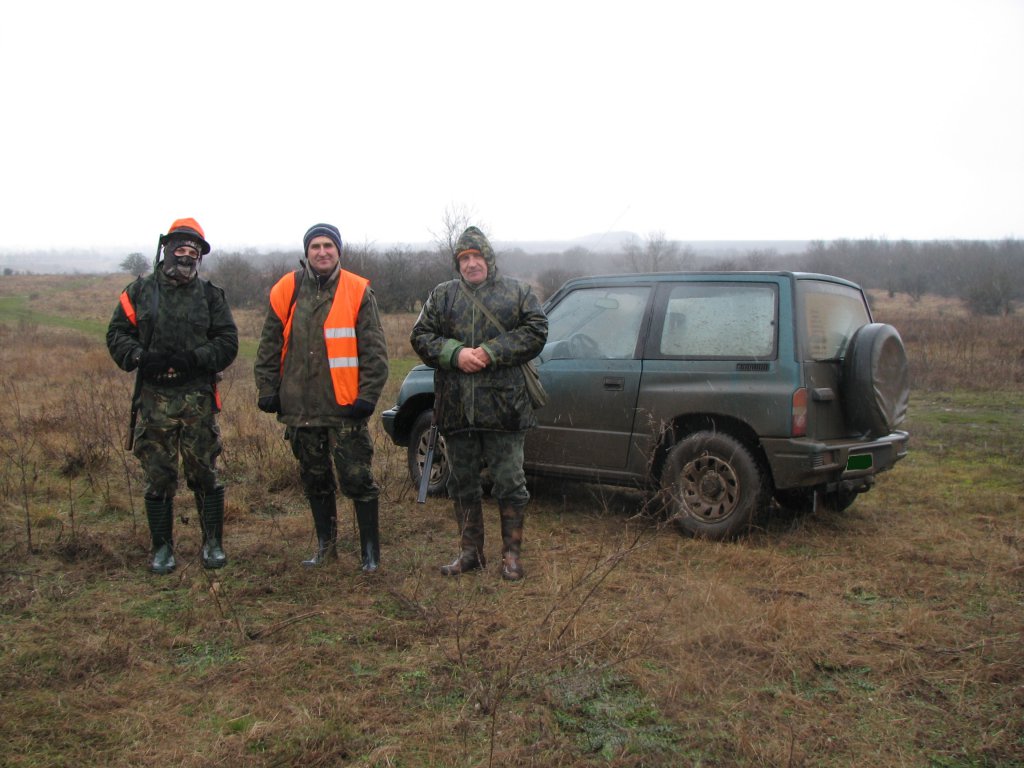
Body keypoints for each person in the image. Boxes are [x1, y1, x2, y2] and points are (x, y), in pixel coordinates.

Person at [410, 226, 548, 581]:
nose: (471, 264)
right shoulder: (443, 296)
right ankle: (470, 553)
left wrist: (490, 351)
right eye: (464, 259)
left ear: (488, 258)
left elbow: (536, 331)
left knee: (510, 483)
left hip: (505, 410)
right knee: (462, 484)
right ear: (458, 264)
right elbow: (420, 336)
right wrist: (454, 354)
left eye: (476, 256)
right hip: (457, 409)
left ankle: (511, 556)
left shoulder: (517, 292)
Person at [106, 218, 238, 575]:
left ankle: (212, 543)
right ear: (166, 249)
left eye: (194, 249)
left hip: (197, 400)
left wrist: (194, 359)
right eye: (180, 247)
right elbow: (116, 334)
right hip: (154, 401)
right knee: (158, 475)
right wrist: (141, 358)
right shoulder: (139, 291)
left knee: (204, 472)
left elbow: (228, 341)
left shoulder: (211, 296)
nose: (187, 254)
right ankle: (162, 548)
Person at [254, 223, 389, 572]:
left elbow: (375, 352)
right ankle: (326, 550)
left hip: (345, 407)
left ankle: (370, 555)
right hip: (300, 408)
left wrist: (367, 396)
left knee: (357, 479)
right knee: (315, 480)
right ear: (307, 252)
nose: (322, 251)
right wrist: (267, 388)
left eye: (329, 245)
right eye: (315, 246)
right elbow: (269, 344)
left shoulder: (358, 290)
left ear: (338, 251)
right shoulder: (287, 289)